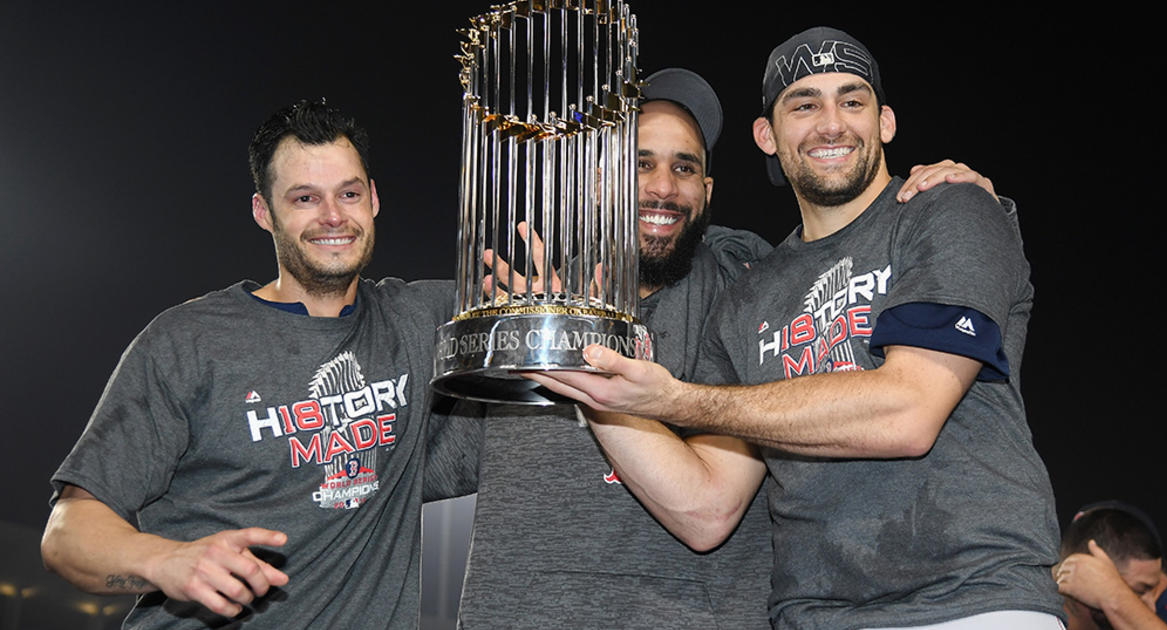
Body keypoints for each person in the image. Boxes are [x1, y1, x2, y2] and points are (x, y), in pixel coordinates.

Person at [529, 27, 1062, 629]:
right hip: (813, 616)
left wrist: (676, 400)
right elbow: (705, 509)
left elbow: (908, 412)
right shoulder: (748, 295)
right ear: (768, 135)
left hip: (971, 602)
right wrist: (590, 379)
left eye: (852, 100)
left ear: (885, 122)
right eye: (804, 104)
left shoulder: (949, 209)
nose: (831, 123)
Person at [40, 99, 478, 628]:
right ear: (263, 211)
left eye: (349, 193)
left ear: (374, 199)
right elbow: (68, 536)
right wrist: (162, 561)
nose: (333, 216)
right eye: (304, 198)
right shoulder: (190, 342)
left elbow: (567, 311)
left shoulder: (423, 318)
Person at [1056, 501, 1167, 629]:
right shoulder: (1040, 614)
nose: (1152, 608)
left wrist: (1116, 598)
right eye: (1139, 591)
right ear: (1088, 574)